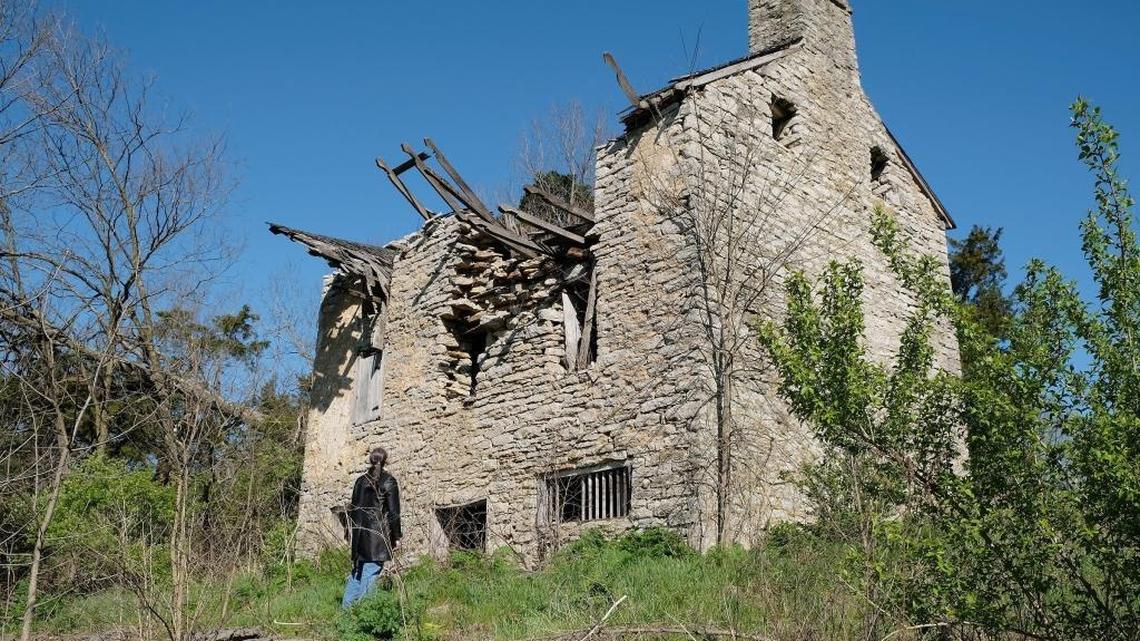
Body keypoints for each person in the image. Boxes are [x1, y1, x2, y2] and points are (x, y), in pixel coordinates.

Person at [342, 446, 401, 608]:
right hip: (377, 538)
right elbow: (394, 513)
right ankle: (363, 613)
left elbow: (353, 510)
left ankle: (346, 613)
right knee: (370, 572)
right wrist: (396, 537)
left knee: (357, 573)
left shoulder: (360, 481)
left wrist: (353, 535)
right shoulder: (389, 480)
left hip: (360, 536)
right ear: (386, 460)